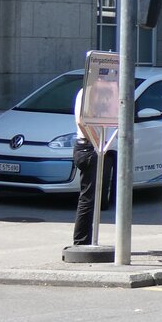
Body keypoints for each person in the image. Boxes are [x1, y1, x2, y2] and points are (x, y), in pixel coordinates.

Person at [71, 88, 97, 247]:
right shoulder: (87, 91)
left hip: (92, 147)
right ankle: (81, 242)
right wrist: (97, 141)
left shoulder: (102, 91)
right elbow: (81, 121)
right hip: (88, 147)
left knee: (93, 198)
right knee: (88, 198)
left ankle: (86, 240)